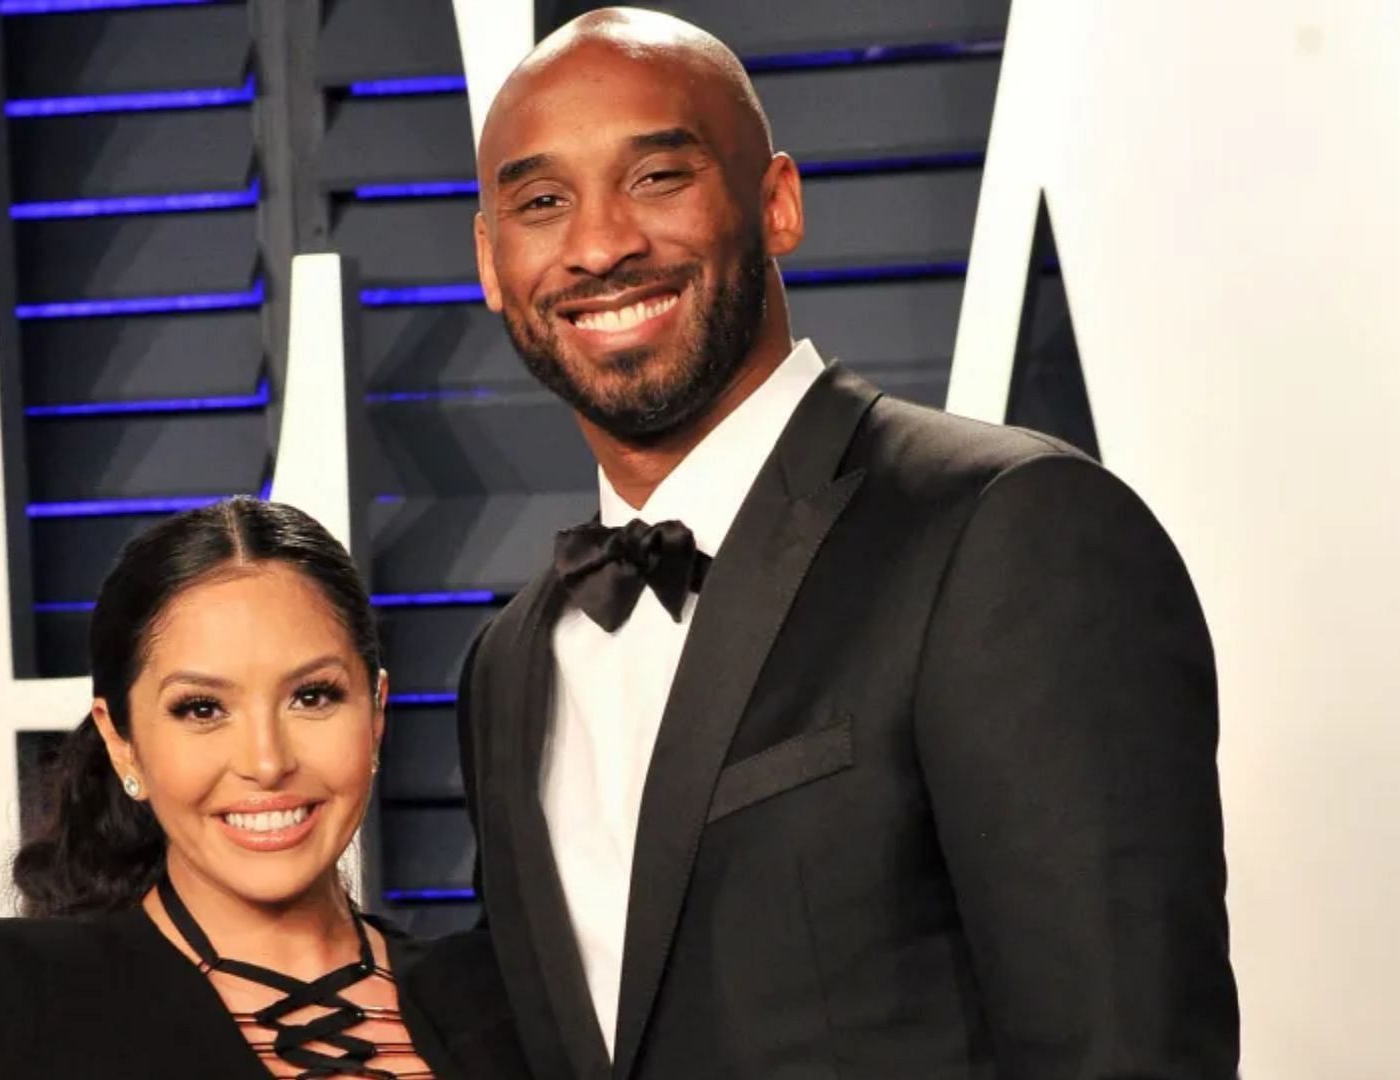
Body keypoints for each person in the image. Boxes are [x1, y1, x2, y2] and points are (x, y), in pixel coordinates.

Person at [456, 7, 1241, 1078]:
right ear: (492, 261)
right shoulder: (507, 668)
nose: (600, 245)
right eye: (543, 203)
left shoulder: (1007, 530)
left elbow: (1124, 1050)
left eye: (657, 179)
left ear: (776, 204)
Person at [0, 499, 525, 1079]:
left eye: (312, 696)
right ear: (120, 738)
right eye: (202, 709)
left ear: (375, 712)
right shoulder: (27, 999)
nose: (265, 760)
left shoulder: (495, 999)